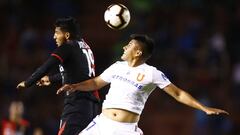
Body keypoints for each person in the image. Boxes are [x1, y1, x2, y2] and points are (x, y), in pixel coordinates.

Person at [57, 34, 229, 135]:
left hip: (126, 129)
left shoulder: (151, 73)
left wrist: (204, 108)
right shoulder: (117, 67)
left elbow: (178, 94)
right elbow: (95, 82)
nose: (124, 47)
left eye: (129, 45)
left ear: (138, 52)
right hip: (102, 124)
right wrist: (75, 86)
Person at [16, 16, 100, 135]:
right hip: (92, 105)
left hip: (76, 104)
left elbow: (46, 66)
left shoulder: (68, 47)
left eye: (57, 33)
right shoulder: (85, 46)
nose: (54, 36)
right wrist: (51, 79)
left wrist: (28, 82)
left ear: (67, 35)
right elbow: (77, 74)